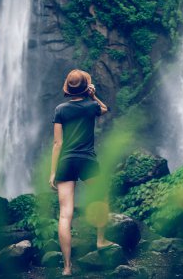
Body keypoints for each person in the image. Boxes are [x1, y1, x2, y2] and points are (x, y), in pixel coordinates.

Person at [49, 69, 116, 276]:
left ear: (67, 87)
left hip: (66, 162)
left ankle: (67, 267)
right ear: (86, 87)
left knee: (64, 215)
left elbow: (57, 143)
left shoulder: (60, 109)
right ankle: (101, 240)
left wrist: (53, 172)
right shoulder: (92, 106)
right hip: (87, 160)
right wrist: (93, 94)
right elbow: (105, 109)